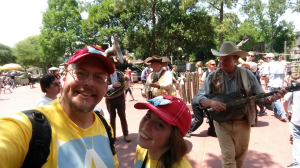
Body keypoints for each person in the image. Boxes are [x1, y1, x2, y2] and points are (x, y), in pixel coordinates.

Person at [0, 46, 119, 167]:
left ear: (106, 87)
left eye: (99, 77)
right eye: (80, 73)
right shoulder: (30, 129)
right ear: (62, 78)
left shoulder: (105, 126)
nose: (89, 83)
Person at [195, 41, 286, 168]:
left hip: (243, 122)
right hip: (221, 123)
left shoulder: (246, 74)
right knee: (228, 157)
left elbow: (260, 96)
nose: (221, 62)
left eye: (226, 59)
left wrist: (270, 99)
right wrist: (211, 102)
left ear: (236, 59)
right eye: (220, 59)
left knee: (239, 158)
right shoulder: (213, 76)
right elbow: (198, 97)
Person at [133, 95, 192, 168]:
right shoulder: (142, 148)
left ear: (174, 136)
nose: (146, 126)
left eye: (159, 124)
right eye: (148, 116)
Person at [186, 60, 217, 138]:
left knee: (212, 116)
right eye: (212, 64)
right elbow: (202, 83)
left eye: (215, 64)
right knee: (199, 120)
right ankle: (186, 130)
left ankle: (211, 131)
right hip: (199, 100)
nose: (214, 65)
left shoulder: (216, 75)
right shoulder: (206, 75)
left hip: (208, 100)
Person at [106, 52, 131, 142]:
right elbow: (102, 88)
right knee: (112, 117)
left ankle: (126, 134)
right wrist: (112, 86)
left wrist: (128, 81)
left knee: (122, 116)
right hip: (109, 99)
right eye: (111, 64)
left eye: (114, 64)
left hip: (120, 97)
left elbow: (126, 86)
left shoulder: (119, 74)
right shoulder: (105, 75)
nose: (113, 66)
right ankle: (113, 135)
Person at [238, 52, 266, 116]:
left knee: (253, 102)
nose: (250, 56)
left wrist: (236, 56)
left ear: (253, 57)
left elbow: (244, 63)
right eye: (248, 55)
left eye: (252, 56)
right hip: (243, 86)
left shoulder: (253, 64)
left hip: (252, 87)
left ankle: (258, 110)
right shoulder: (239, 65)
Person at [263, 53, 288, 122]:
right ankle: (275, 111)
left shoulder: (268, 65)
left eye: (267, 58)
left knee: (276, 99)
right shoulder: (280, 64)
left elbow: (266, 75)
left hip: (272, 83)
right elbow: (284, 74)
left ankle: (282, 114)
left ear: (271, 58)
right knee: (277, 98)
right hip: (280, 84)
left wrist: (266, 84)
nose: (265, 59)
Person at [283, 82, 300, 168]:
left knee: (297, 139)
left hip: (297, 118)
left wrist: (286, 112)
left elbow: (285, 101)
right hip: (297, 119)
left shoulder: (296, 87)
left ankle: (297, 162)